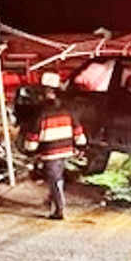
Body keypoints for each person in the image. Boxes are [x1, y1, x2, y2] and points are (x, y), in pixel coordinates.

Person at [23, 72, 86, 220]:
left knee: (55, 179)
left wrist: (30, 151)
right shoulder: (68, 110)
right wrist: (81, 146)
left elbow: (33, 135)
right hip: (66, 150)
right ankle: (52, 200)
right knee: (57, 176)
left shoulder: (41, 113)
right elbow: (77, 129)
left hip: (50, 152)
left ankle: (59, 210)